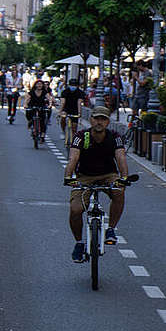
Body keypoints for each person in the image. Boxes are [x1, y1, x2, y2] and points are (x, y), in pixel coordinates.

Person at [64, 106, 130, 262]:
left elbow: (121, 158)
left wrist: (124, 177)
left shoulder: (114, 137)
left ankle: (111, 229)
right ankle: (79, 243)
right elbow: (73, 158)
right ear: (91, 119)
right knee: (75, 210)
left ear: (108, 121)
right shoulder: (82, 136)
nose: (99, 122)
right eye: (96, 118)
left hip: (108, 175)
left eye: (103, 119)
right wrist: (68, 177)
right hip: (84, 176)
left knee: (119, 191)